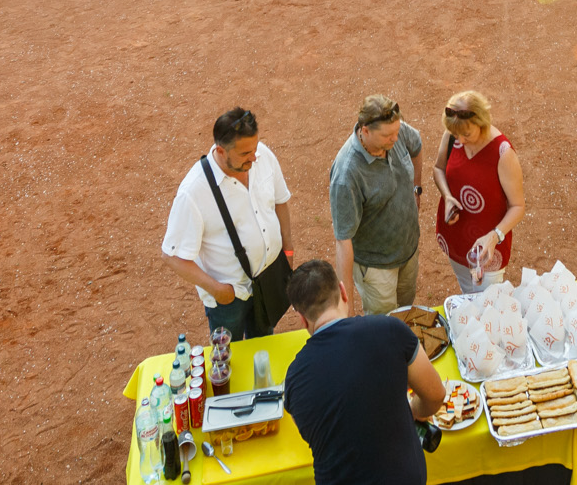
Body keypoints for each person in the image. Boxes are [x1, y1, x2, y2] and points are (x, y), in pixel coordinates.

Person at [283, 257, 445, 485]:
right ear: (343, 292)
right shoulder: (390, 330)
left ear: (302, 320)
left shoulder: (294, 379)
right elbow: (436, 394)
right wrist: (414, 410)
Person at [161, 106, 296, 339]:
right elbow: (172, 256)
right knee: (227, 359)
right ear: (221, 152)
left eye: (254, 148)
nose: (254, 157)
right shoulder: (193, 192)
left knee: (263, 341)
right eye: (245, 154)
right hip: (229, 299)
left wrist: (288, 249)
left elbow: (280, 201)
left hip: (269, 280)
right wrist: (217, 290)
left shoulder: (262, 156)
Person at [328, 94, 423, 315]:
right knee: (384, 324)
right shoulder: (347, 174)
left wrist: (416, 187)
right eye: (387, 136)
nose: (395, 139)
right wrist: (347, 307)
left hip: (408, 250)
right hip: (376, 268)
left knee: (406, 309)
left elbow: (416, 144)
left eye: (397, 132)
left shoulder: (394, 131)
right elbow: (343, 241)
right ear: (365, 130)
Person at [433, 91, 526, 293]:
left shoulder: (503, 153)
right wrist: (447, 196)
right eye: (456, 135)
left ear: (481, 121)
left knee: (488, 302)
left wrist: (494, 236)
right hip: (456, 239)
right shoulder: (453, 132)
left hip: (488, 251)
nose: (460, 140)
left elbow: (518, 206)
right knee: (467, 288)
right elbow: (439, 168)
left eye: (467, 135)